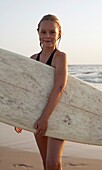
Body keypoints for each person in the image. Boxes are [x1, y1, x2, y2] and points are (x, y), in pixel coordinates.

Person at [15, 14, 68, 170]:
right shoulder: (33, 59)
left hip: (57, 114)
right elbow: (29, 91)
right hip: (39, 114)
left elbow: (59, 87)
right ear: (38, 33)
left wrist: (45, 118)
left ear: (60, 34)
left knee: (53, 163)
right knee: (46, 163)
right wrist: (19, 117)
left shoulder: (60, 57)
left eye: (52, 32)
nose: (47, 36)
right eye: (43, 32)